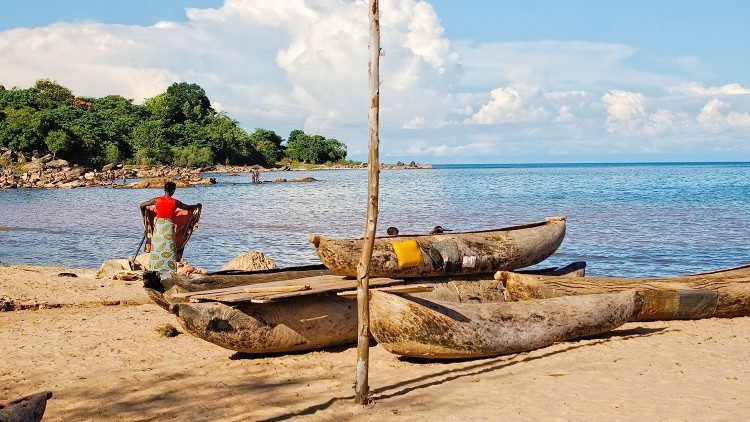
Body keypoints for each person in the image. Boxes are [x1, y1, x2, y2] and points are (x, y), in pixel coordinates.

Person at [140, 181, 201, 274]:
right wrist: (197, 205)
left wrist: (146, 214)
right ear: (173, 191)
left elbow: (142, 205)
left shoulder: (157, 200)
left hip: (159, 227)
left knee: (157, 247)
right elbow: (188, 207)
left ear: (164, 190)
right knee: (169, 247)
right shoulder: (175, 202)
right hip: (168, 227)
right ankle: (169, 270)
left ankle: (155, 268)